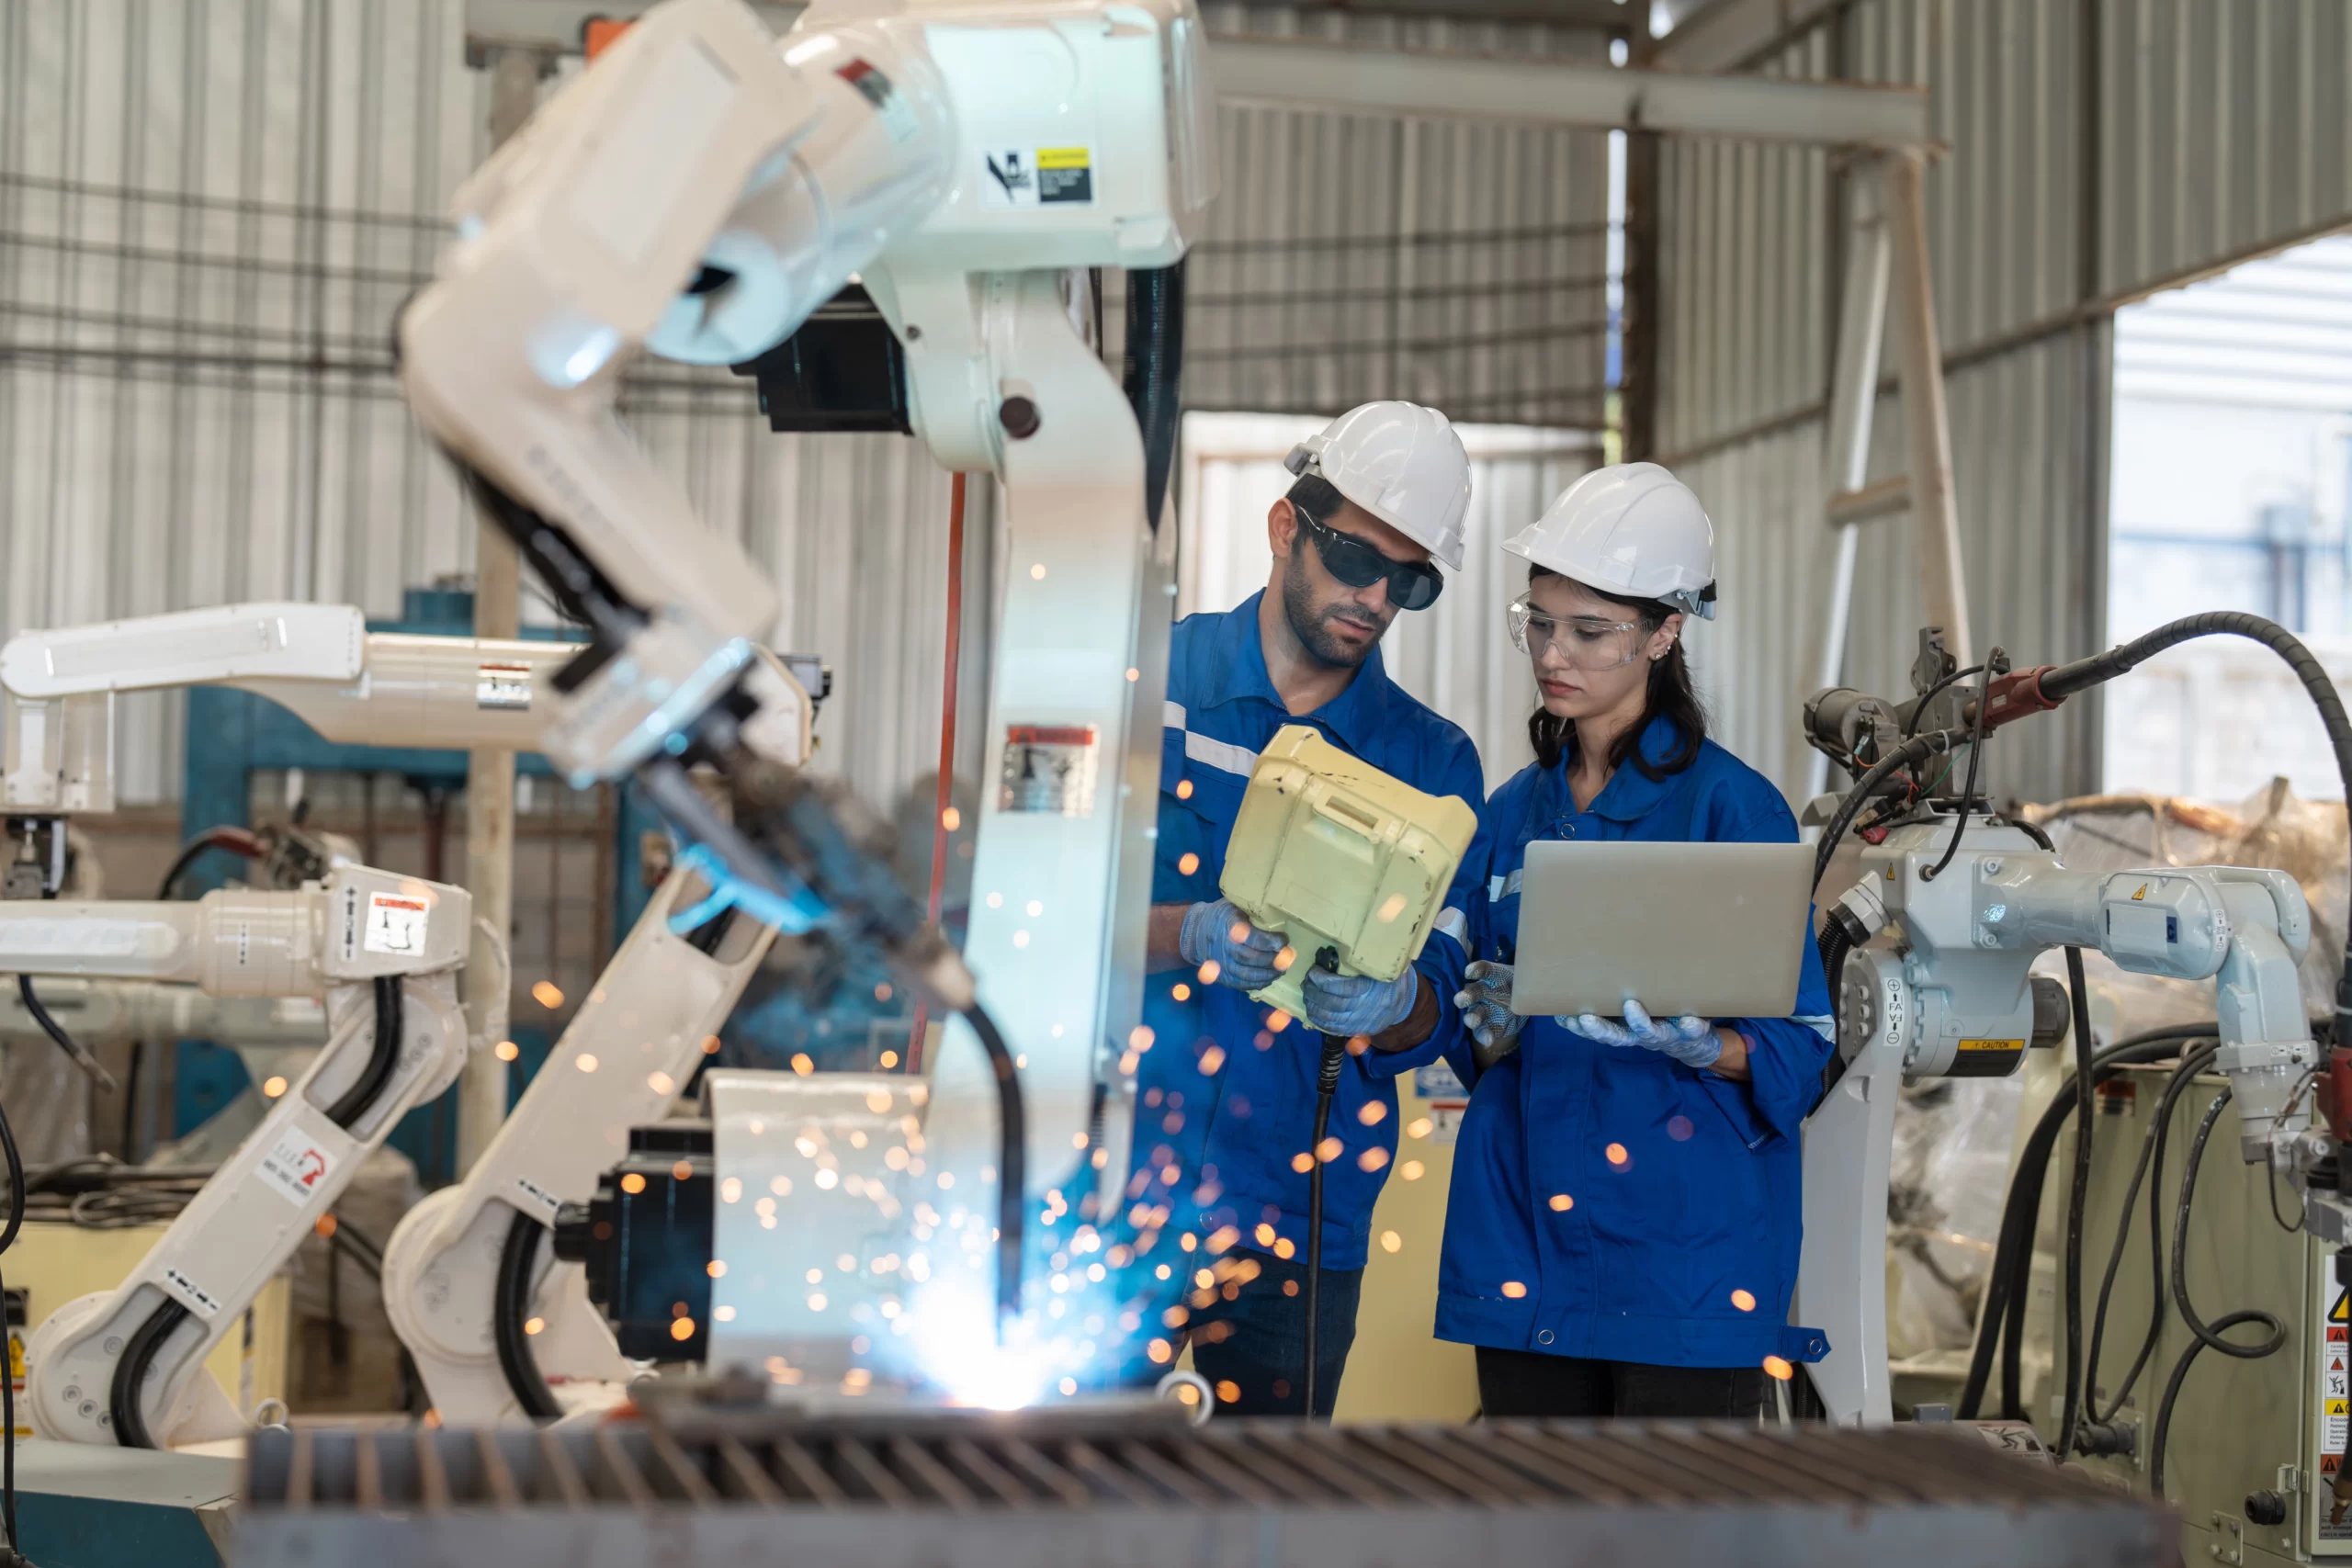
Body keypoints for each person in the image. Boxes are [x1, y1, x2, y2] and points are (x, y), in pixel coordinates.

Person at [1431, 462, 1835, 1418]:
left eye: (1588, 630)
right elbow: (1461, 1026)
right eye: (1538, 622)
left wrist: (1704, 1045)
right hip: (1524, 1242)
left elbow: (1804, 1043)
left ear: (1664, 632)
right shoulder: (1508, 815)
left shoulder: (1730, 809)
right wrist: (1471, 1018)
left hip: (1683, 1259)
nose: (1551, 654)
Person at [1134, 400, 1487, 1416]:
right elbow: (1037, 916)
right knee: (1082, 1507)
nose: (1374, 598)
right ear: (1287, 527)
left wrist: (1392, 1004)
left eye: (1408, 581)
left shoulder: (1431, 766)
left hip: (1299, 1214)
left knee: (1267, 1523)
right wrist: (1183, 934)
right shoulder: (1145, 689)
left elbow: (1439, 1012)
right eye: (1353, 558)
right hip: (1119, 1192)